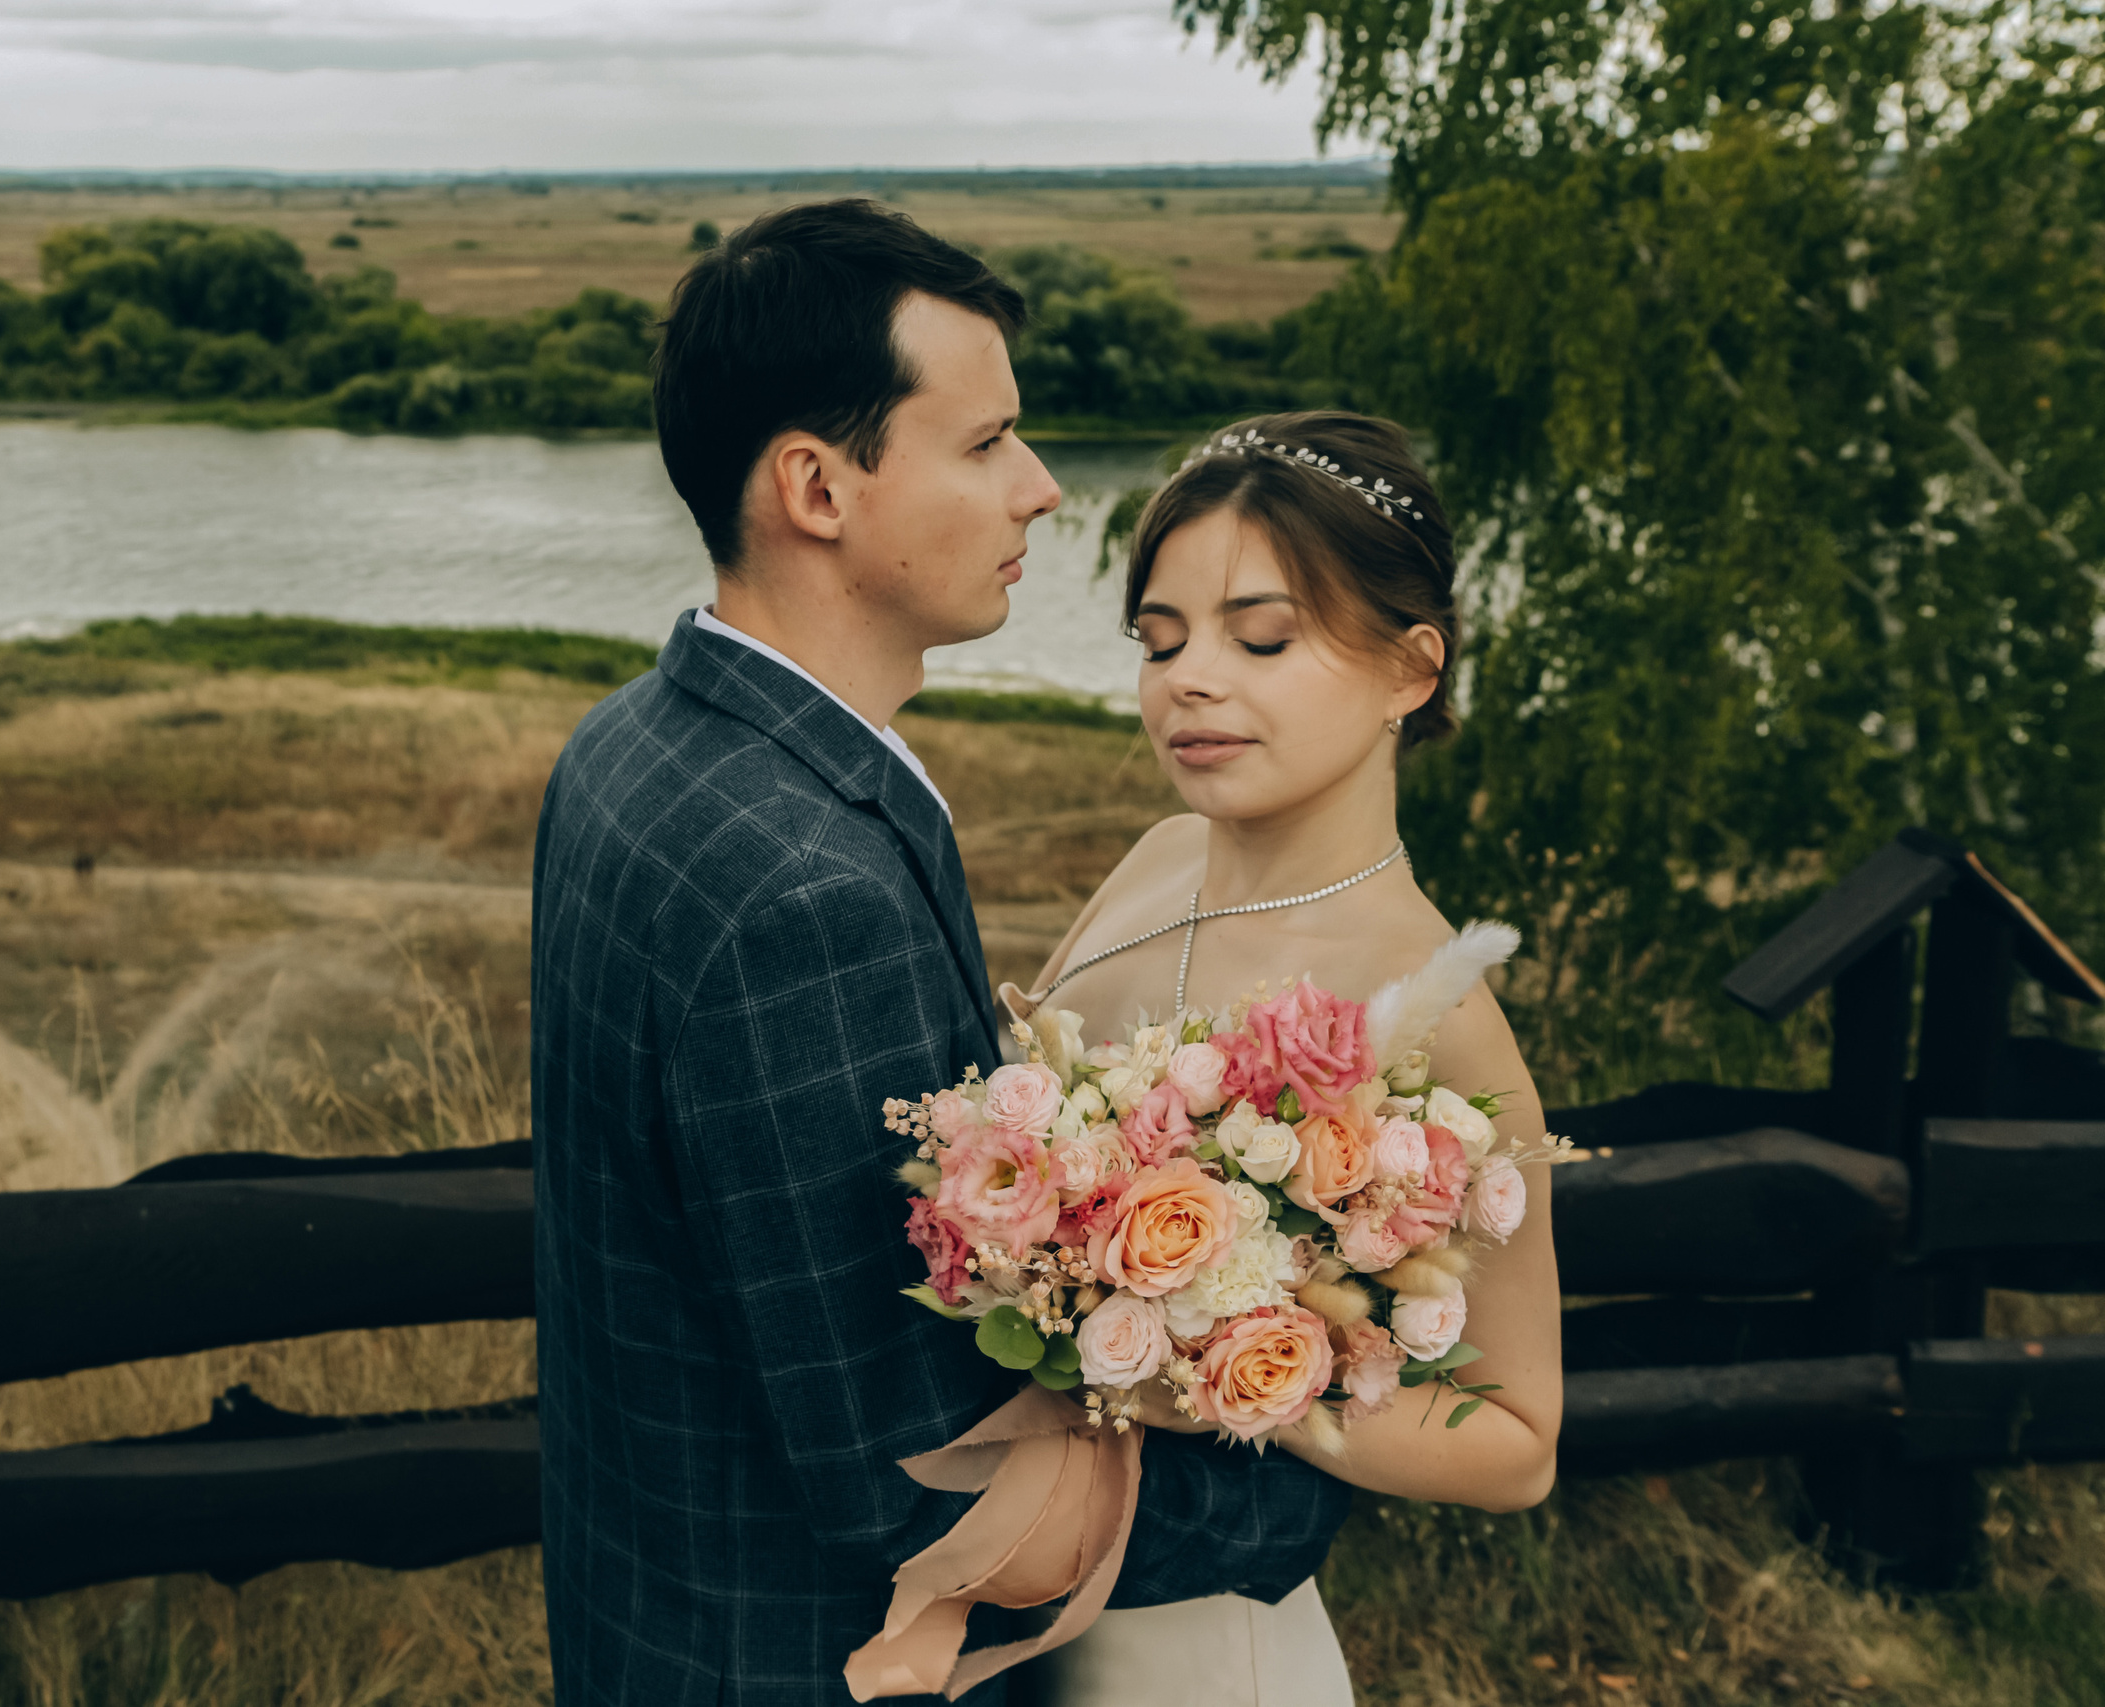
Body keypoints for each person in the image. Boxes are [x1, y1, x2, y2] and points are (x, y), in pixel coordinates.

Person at [529, 203, 1352, 1707]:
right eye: (983, 447)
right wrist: (1303, 1483)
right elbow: (911, 1483)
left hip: (647, 1624)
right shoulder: (801, 894)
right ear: (816, 488)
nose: (1041, 491)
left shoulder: (629, 746)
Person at [1005, 411, 1565, 1706]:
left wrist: (1219, 1378)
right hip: (1007, 1610)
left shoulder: (1433, 1007)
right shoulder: (1154, 859)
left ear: (1408, 672)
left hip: (1196, 1651)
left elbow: (1517, 1440)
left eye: (1261, 638)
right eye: (1161, 640)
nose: (1191, 679)